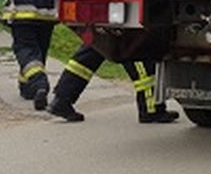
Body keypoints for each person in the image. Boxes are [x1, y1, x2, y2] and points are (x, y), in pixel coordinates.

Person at [47, 40, 180, 125]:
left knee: (94, 48)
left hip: (105, 5)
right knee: (136, 50)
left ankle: (62, 99)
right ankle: (151, 109)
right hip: (125, 8)